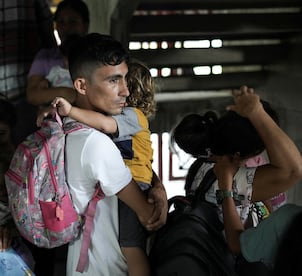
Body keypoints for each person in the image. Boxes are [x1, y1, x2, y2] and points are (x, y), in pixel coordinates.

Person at [52, 32, 167, 275]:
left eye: (125, 79)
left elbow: (136, 158)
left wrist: (158, 186)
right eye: (114, 81)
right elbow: (149, 215)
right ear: (81, 85)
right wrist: (158, 199)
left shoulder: (67, 130)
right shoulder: (94, 143)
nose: (125, 91)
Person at [172, 86, 302, 264]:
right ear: (239, 155)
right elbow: (293, 171)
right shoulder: (230, 179)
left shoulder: (204, 164)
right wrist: (257, 114)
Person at [26, 0, 90, 106]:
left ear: (85, 26)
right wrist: (65, 92)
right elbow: (33, 95)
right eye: (61, 22)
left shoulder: (95, 56)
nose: (66, 28)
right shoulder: (45, 57)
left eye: (73, 22)